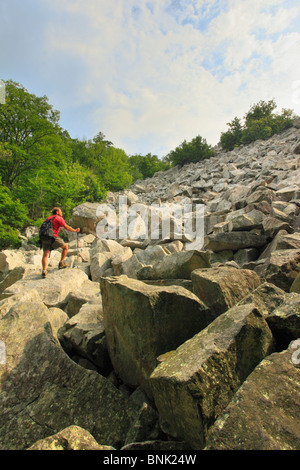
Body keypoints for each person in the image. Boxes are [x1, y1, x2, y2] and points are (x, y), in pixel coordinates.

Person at [41, 207, 80, 278]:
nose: (61, 212)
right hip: (52, 236)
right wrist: (75, 230)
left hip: (44, 237)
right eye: (60, 211)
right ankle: (61, 263)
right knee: (65, 247)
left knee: (45, 255)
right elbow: (66, 227)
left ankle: (44, 271)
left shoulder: (47, 219)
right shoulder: (58, 218)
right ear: (57, 212)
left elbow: (40, 228)